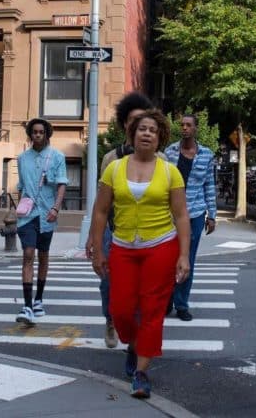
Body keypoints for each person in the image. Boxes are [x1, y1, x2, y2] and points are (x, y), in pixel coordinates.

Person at [88, 109, 190, 399]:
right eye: (142, 129)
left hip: (160, 247)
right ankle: (133, 344)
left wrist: (183, 255)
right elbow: (101, 211)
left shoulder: (170, 171)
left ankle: (142, 373)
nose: (147, 133)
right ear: (132, 134)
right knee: (120, 310)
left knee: (152, 311)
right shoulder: (115, 168)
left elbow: (181, 216)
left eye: (153, 130)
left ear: (160, 138)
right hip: (122, 247)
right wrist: (97, 248)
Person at [89, 92, 156, 348]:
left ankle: (135, 336)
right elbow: (101, 205)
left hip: (147, 235)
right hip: (113, 231)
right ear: (125, 125)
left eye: (143, 120)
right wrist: (93, 239)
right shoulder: (111, 159)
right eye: (132, 120)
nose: (138, 126)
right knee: (108, 283)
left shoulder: (159, 160)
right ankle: (110, 319)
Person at [15, 118, 68, 326]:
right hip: (28, 215)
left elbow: (62, 183)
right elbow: (20, 185)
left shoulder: (57, 157)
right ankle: (27, 305)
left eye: (41, 132)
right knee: (28, 253)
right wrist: (19, 208)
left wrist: (56, 207)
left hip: (47, 213)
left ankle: (38, 299)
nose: (37, 135)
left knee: (43, 255)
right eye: (34, 132)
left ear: (46, 134)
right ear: (30, 134)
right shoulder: (22, 158)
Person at [164, 113, 217, 321]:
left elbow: (209, 186)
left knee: (188, 261)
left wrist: (212, 215)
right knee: (168, 259)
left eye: (188, 125)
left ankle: (182, 304)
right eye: (182, 125)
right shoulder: (169, 152)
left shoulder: (206, 154)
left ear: (196, 128)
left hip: (195, 213)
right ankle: (166, 299)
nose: (184, 128)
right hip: (170, 215)